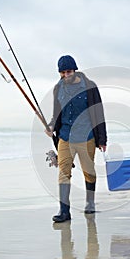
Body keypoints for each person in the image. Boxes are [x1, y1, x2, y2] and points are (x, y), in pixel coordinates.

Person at [46, 55, 107, 222]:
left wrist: (102, 139)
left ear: (75, 70)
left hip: (86, 136)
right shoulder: (57, 89)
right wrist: (51, 125)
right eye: (63, 72)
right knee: (64, 172)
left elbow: (99, 113)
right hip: (65, 137)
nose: (67, 75)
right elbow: (56, 113)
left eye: (69, 71)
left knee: (89, 172)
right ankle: (64, 211)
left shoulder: (89, 86)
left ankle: (90, 203)